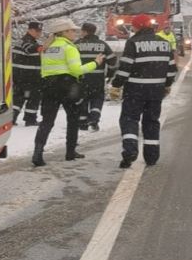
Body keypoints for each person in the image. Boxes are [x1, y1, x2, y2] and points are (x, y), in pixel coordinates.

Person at [32, 17, 105, 167]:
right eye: (72, 30)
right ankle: (70, 152)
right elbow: (76, 70)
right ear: (64, 32)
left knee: (47, 121)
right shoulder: (69, 48)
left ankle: (37, 153)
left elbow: (44, 70)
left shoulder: (47, 48)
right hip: (68, 87)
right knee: (73, 120)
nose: (75, 33)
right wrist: (95, 63)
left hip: (49, 86)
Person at [110, 14, 176, 168]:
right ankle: (152, 156)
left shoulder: (133, 43)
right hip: (156, 91)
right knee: (151, 122)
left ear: (136, 27)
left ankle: (130, 150)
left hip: (134, 90)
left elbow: (125, 68)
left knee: (129, 119)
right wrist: (166, 85)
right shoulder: (165, 43)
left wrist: (116, 85)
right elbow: (172, 69)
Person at [75, 22, 117, 131]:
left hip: (81, 77)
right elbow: (112, 61)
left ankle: (82, 122)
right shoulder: (102, 45)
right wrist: (109, 75)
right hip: (97, 78)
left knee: (83, 98)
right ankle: (93, 121)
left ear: (84, 31)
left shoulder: (76, 44)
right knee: (97, 98)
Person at [12, 20, 43, 126]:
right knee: (34, 97)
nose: (39, 33)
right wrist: (43, 48)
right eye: (37, 31)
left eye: (40, 31)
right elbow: (29, 49)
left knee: (18, 98)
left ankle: (12, 117)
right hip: (28, 76)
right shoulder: (27, 41)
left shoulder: (28, 40)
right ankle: (30, 119)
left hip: (20, 76)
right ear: (29, 30)